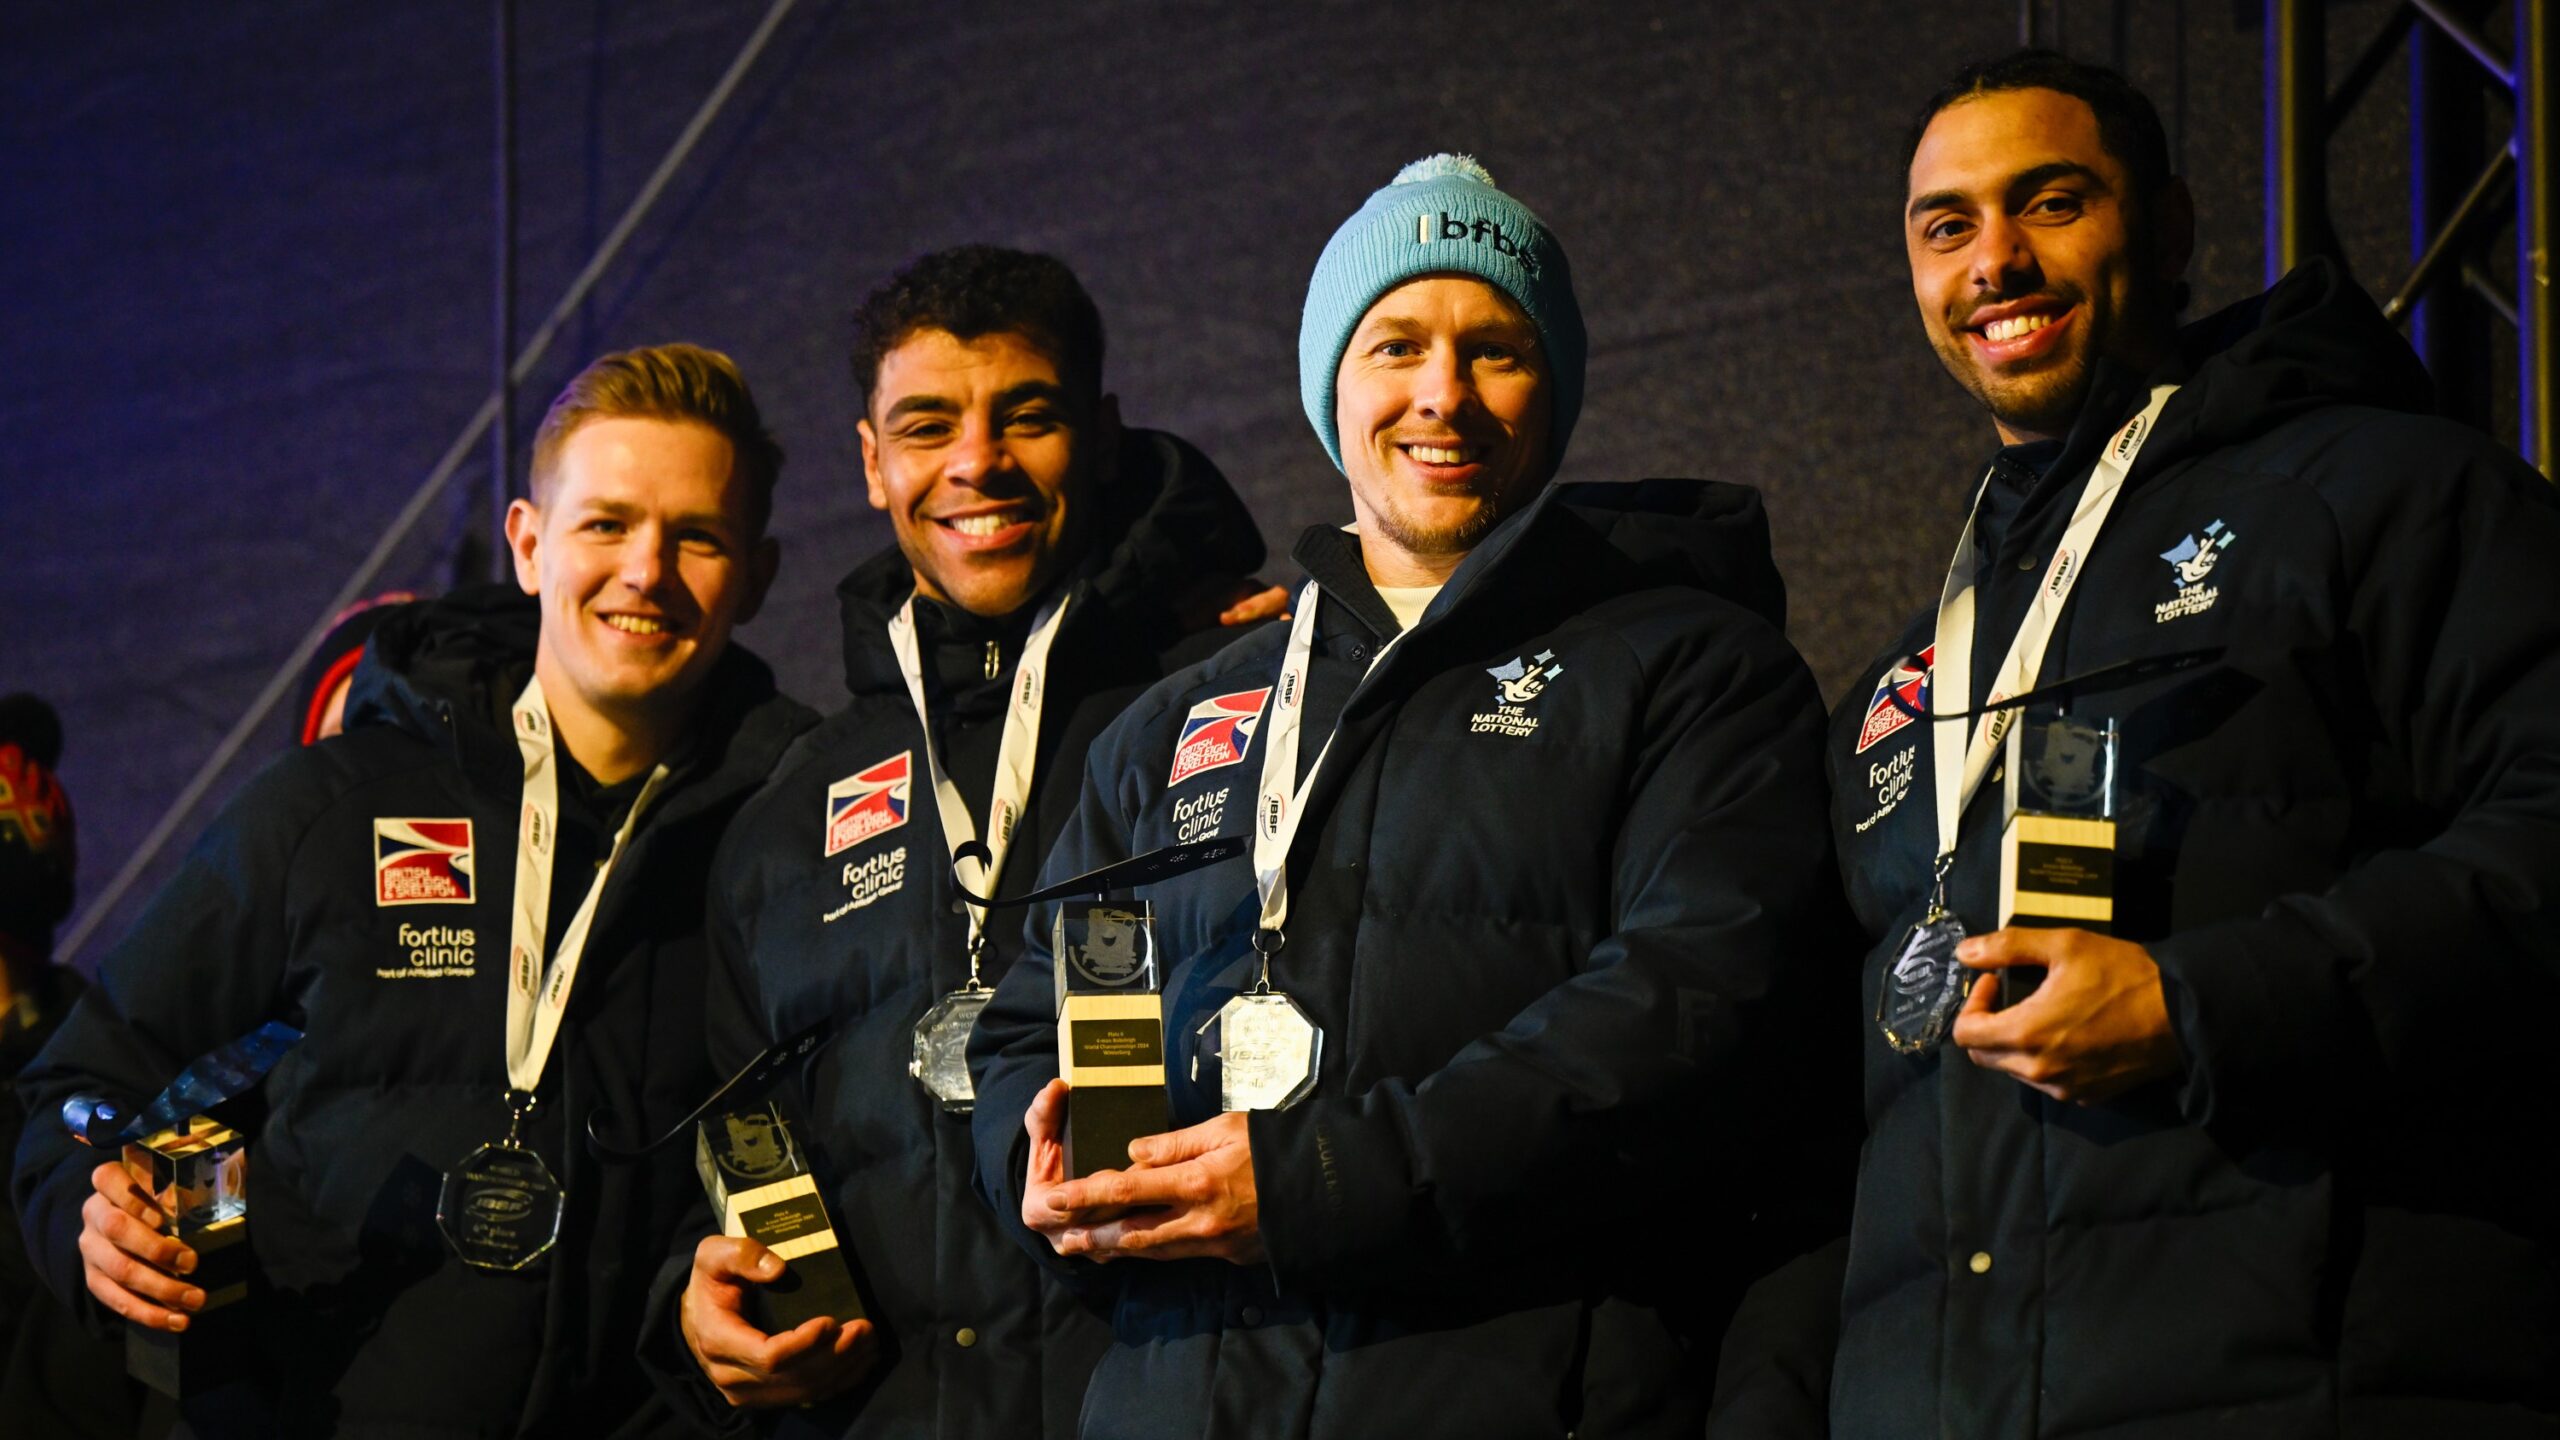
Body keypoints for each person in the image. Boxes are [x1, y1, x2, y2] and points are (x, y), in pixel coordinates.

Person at [968, 155, 1839, 1437]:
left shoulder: (1691, 669)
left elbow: (1689, 1005)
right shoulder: (1170, 724)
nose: (1442, 393)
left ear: (1555, 390)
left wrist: (1320, 1177)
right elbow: (1023, 1025)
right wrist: (1029, 1169)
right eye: (1395, 346)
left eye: (1494, 349)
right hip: (1179, 1393)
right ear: (1333, 386)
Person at [1820, 49, 2560, 1436]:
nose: (1997, 260)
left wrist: (2201, 1003)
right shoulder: (1908, 679)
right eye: (1948, 226)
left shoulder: (2383, 491)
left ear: (2165, 229)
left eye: (2051, 203)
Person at [13, 344, 817, 1437]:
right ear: (529, 547)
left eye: (698, 538)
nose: (646, 570)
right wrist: (88, 1207)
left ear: (757, 577)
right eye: (606, 524)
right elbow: (85, 1073)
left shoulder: (788, 834)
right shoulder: (334, 806)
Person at [645, 245, 1271, 1437]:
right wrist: (698, 1304)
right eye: (927, 425)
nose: (977, 461)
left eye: (1023, 416)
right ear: (872, 463)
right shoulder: (787, 812)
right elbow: (735, 1151)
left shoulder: (1232, 703)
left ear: (1098, 430)